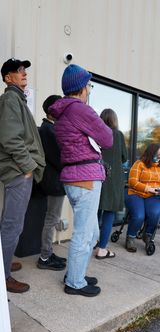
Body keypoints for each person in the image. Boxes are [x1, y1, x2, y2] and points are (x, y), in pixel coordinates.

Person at [49, 64, 113, 297]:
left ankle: (76, 272)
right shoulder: (81, 110)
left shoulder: (65, 112)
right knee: (84, 235)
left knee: (92, 233)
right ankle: (74, 282)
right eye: (89, 85)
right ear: (82, 87)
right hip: (85, 178)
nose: (90, 89)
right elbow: (107, 139)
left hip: (74, 177)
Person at [0, 58, 45, 293]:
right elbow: (11, 139)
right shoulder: (9, 100)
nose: (23, 74)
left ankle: (2, 262)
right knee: (12, 225)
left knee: (11, 223)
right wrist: (27, 167)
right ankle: (2, 276)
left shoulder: (16, 100)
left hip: (19, 171)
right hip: (18, 172)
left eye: (24, 70)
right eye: (18, 71)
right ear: (7, 77)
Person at [36, 95, 67, 271]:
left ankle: (47, 252)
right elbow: (59, 158)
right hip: (53, 181)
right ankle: (45, 257)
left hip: (53, 180)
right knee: (51, 219)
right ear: (51, 110)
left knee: (51, 218)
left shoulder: (49, 128)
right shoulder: (49, 130)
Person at [95, 109, 128, 259]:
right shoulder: (118, 134)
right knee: (109, 213)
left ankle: (93, 241)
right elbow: (124, 157)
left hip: (96, 175)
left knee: (95, 212)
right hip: (113, 179)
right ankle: (102, 249)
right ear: (114, 120)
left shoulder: (95, 133)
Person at [125, 143, 160, 252]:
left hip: (153, 196)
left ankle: (148, 235)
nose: (159, 158)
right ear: (151, 153)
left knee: (155, 214)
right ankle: (130, 238)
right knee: (139, 215)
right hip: (135, 193)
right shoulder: (139, 164)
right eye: (158, 155)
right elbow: (132, 182)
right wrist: (148, 188)